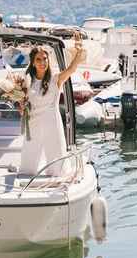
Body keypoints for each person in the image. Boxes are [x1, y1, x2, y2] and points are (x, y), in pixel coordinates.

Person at [19, 32, 86, 177]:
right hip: (33, 121)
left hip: (51, 121)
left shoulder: (56, 79)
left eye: (44, 59)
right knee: (30, 153)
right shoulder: (27, 80)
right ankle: (27, 175)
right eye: (38, 59)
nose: (42, 62)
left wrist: (78, 49)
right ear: (32, 62)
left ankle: (57, 174)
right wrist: (21, 106)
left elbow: (72, 69)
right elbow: (23, 101)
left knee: (55, 152)